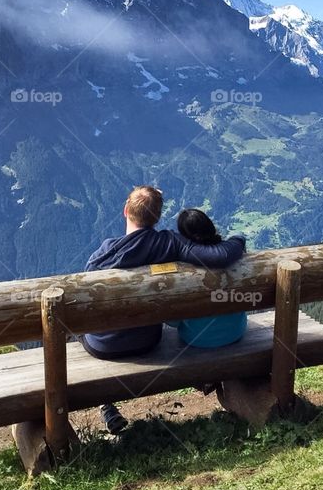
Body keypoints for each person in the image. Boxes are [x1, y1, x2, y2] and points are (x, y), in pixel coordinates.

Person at [80, 186, 246, 434]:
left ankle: (106, 404)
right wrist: (238, 239)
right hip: (147, 341)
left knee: (77, 329)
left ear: (125, 211)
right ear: (157, 218)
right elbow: (220, 255)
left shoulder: (102, 256)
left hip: (104, 347)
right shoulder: (168, 243)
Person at [167, 209, 248, 348]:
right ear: (210, 227)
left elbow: (173, 322)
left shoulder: (181, 269)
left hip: (196, 338)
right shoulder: (232, 255)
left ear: (184, 237)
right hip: (235, 332)